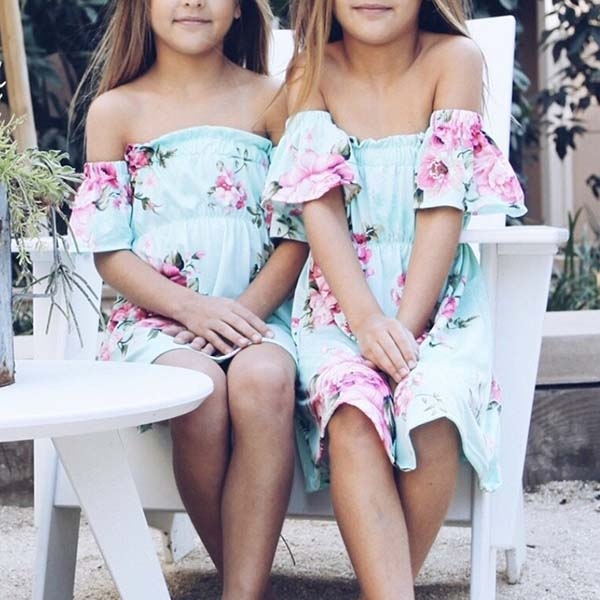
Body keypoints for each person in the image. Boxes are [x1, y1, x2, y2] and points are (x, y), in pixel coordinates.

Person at [262, 0, 527, 597]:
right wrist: (366, 322)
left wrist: (402, 328)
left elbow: (443, 204)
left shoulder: (453, 60)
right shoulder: (312, 70)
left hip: (438, 308)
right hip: (339, 309)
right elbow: (319, 209)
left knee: (432, 411)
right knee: (354, 413)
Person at [70, 1, 307, 598]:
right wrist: (191, 310)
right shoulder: (116, 110)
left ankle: (241, 592)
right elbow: (109, 250)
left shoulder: (274, 100)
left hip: (260, 313)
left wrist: (241, 314)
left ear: (241, 10)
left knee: (264, 380)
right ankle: (244, 582)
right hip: (158, 322)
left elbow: (298, 233)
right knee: (196, 388)